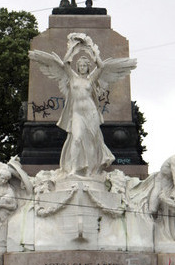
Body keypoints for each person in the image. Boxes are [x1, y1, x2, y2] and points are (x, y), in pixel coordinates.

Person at [29, 33, 136, 176]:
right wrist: (73, 47)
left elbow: (102, 66)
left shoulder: (91, 79)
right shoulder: (72, 77)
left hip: (91, 112)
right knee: (77, 139)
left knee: (91, 142)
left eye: (85, 65)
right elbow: (65, 62)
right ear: (77, 67)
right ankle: (74, 168)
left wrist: (91, 49)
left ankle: (91, 171)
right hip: (77, 113)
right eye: (80, 65)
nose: (83, 67)